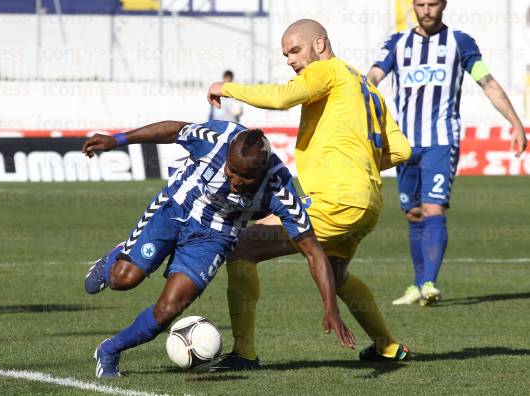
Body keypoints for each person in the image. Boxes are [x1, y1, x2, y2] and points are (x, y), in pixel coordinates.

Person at [206, 19, 412, 370]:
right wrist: (359, 165)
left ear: (319, 44)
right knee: (335, 270)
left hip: (336, 198)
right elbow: (403, 150)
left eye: (295, 50)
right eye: (285, 54)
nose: (290, 60)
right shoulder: (365, 85)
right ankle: (387, 346)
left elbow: (284, 97)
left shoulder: (327, 70)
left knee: (242, 246)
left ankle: (244, 352)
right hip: (369, 202)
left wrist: (229, 89)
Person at [81, 119, 355, 377]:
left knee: (170, 308)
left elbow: (312, 251)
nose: (234, 181)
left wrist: (330, 306)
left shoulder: (280, 189)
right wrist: (117, 140)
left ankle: (109, 350)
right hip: (175, 207)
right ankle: (113, 260)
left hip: (214, 238)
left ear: (260, 172)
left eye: (243, 178)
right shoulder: (215, 139)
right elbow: (173, 130)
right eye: (230, 170)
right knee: (123, 279)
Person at [366, 0, 528, 306]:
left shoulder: (459, 42)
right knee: (413, 213)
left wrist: (516, 123)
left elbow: (488, 82)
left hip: (442, 140)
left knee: (433, 209)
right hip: (404, 143)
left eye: (432, 4)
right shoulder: (397, 43)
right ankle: (417, 286)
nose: (426, 10)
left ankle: (429, 282)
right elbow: (373, 77)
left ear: (444, 5)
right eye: (420, 4)